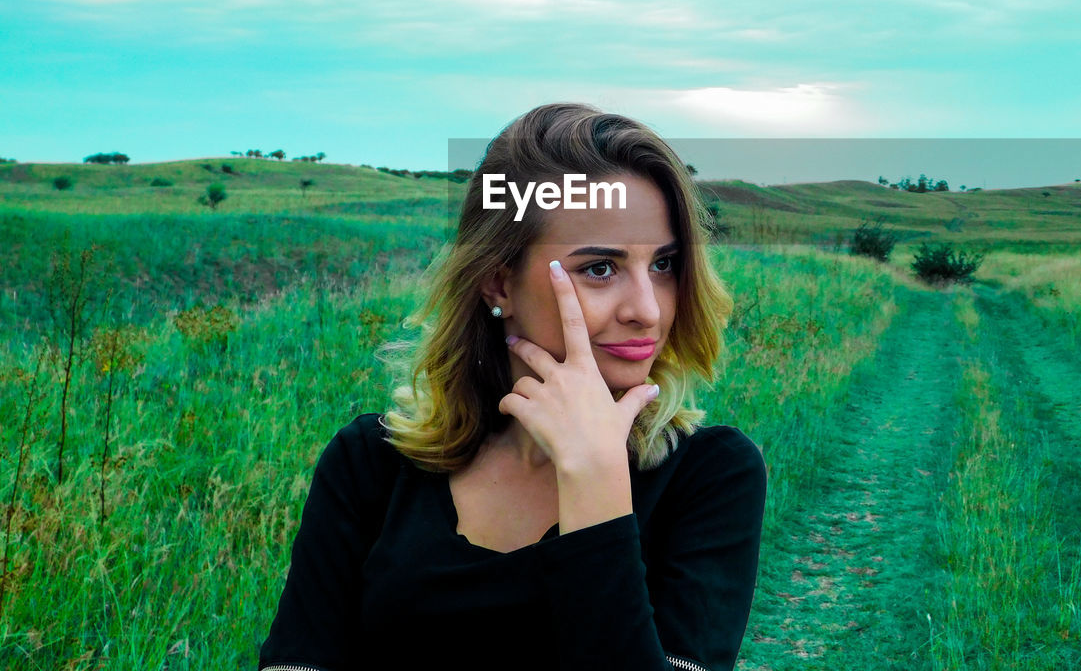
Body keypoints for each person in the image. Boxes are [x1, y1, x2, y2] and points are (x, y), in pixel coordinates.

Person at [258, 103, 768, 671]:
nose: (647, 310)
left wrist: (596, 485)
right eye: (600, 268)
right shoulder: (371, 465)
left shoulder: (708, 476)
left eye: (665, 264)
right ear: (498, 281)